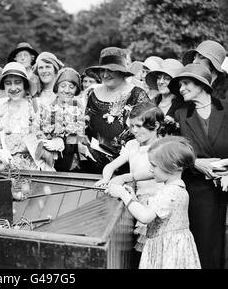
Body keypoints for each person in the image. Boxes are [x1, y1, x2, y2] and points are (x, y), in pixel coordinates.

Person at [106, 136, 201, 269]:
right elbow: (154, 211)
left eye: (154, 166)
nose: (150, 170)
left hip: (167, 252)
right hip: (171, 248)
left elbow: (145, 217)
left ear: (173, 167)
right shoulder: (176, 188)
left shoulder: (170, 192)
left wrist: (123, 195)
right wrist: (131, 196)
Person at [168, 63, 228, 269]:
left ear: (202, 85)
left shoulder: (226, 108)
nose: (181, 89)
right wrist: (195, 163)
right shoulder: (181, 115)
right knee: (204, 243)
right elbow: (174, 152)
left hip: (227, 185)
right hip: (199, 191)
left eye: (185, 83)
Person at [95, 102, 165, 252]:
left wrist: (126, 177)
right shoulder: (132, 145)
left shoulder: (162, 146)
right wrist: (106, 179)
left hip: (157, 202)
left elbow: (153, 172)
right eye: (132, 126)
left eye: (139, 126)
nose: (134, 131)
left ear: (156, 125)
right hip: (137, 200)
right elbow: (111, 166)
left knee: (156, 246)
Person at [83, 47, 150, 173]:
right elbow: (86, 127)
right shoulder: (92, 94)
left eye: (111, 70)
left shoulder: (137, 95)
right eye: (102, 70)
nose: (105, 75)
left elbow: (149, 131)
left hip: (127, 168)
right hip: (92, 165)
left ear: (122, 72)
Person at [0, 62, 40, 170]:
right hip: (6, 172)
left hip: (34, 171)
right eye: (8, 83)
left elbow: (45, 139)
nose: (13, 88)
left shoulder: (36, 109)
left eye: (17, 82)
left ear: (24, 85)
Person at [37, 67, 86, 172]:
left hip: (72, 163)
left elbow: (81, 139)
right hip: (48, 162)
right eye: (63, 86)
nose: (67, 90)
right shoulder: (46, 108)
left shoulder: (80, 110)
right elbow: (38, 133)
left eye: (71, 87)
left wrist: (63, 142)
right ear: (57, 87)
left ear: (76, 90)